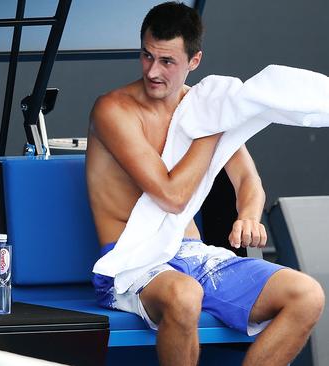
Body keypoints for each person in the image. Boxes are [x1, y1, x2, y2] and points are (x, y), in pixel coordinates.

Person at [86, 2, 324, 365]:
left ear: (194, 61)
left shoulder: (202, 105)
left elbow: (247, 178)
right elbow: (171, 197)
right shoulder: (114, 109)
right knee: (185, 295)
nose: (153, 71)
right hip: (131, 261)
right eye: (147, 56)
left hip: (193, 255)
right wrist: (210, 127)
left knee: (306, 294)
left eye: (167, 62)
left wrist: (248, 214)